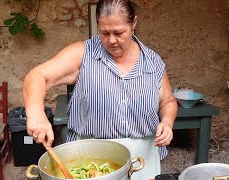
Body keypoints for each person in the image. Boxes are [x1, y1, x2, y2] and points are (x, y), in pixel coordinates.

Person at [23, 0, 178, 179]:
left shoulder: (152, 62)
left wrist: (167, 122)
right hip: (89, 158)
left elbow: (167, 101)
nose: (111, 40)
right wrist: (36, 114)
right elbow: (36, 76)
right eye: (104, 33)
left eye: (119, 32)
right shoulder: (83, 54)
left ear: (133, 23)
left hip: (142, 159)